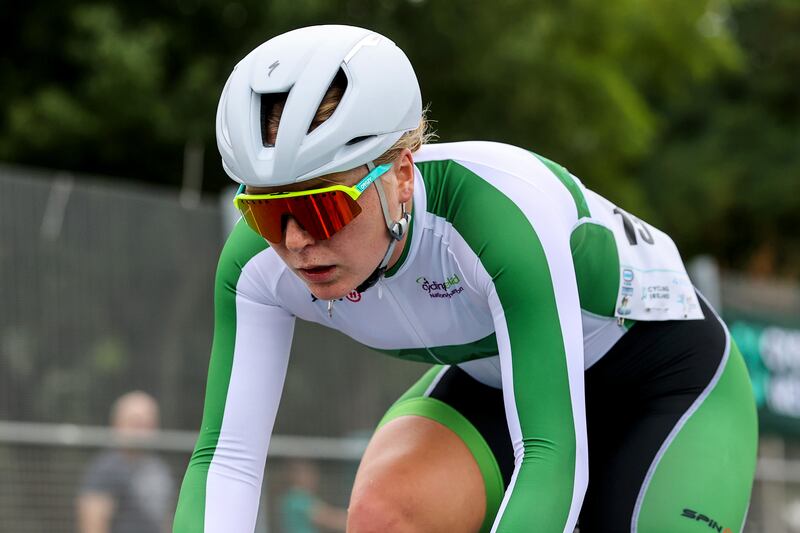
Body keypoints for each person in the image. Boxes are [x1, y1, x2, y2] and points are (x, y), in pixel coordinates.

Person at [174, 25, 758, 532]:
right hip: (503, 380)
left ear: (401, 175)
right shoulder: (255, 267)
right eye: (268, 213)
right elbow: (227, 459)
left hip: (665, 377)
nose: (296, 241)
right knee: (387, 515)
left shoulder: (498, 216)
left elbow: (550, 453)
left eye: (324, 208)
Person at [77, 391, 175, 533]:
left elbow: (166, 519)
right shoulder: (106, 468)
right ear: (117, 424)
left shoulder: (159, 468)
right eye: (136, 422)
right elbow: (93, 522)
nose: (142, 430)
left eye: (147, 423)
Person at [279, 460, 348, 533]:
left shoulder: (290, 497)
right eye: (308, 473)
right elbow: (328, 518)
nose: (314, 477)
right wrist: (355, 519)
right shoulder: (298, 498)